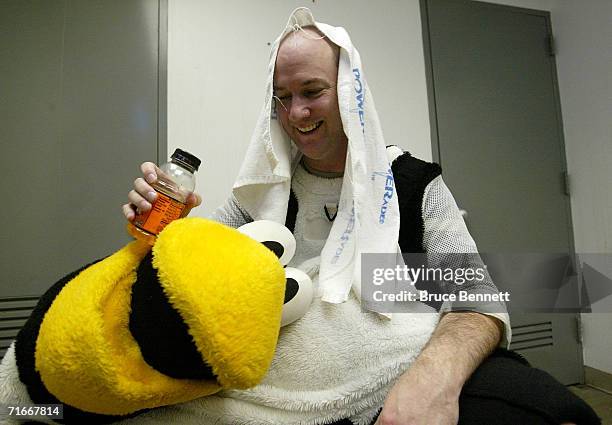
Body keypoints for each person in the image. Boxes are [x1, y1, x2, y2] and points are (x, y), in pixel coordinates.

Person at [122, 9, 593, 425]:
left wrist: (432, 382)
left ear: (351, 92)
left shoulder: (414, 187)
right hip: (277, 387)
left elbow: (477, 303)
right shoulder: (261, 195)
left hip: (394, 373)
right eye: (282, 97)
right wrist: (152, 229)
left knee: (543, 407)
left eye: (312, 91)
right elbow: (177, 277)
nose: (296, 113)